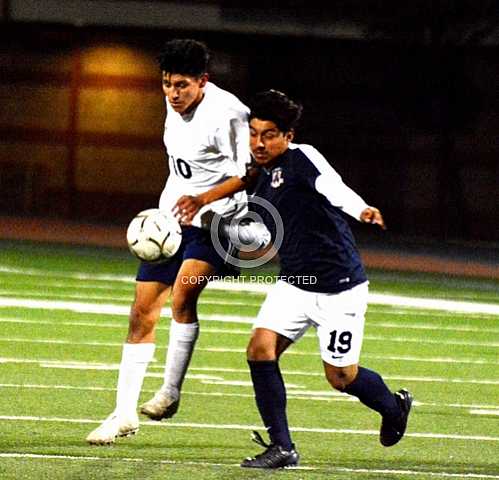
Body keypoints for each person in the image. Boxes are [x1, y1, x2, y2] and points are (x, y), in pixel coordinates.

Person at [181, 90, 413, 468]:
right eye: (254, 133)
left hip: (340, 288)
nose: (258, 142)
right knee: (259, 349)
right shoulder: (259, 166)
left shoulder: (302, 158)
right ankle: (282, 448)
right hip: (294, 282)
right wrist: (205, 202)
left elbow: (333, 188)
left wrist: (362, 209)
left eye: (268, 134)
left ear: (288, 136)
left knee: (341, 377)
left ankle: (393, 406)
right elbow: (246, 181)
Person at [86, 39, 269, 445]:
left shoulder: (229, 114)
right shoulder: (172, 103)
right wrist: (170, 209)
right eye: (167, 84)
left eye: (182, 85)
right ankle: (123, 414)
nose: (172, 93)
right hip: (173, 220)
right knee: (141, 311)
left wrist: (201, 199)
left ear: (204, 81)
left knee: (183, 296)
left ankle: (169, 391)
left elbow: (250, 173)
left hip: (219, 220)